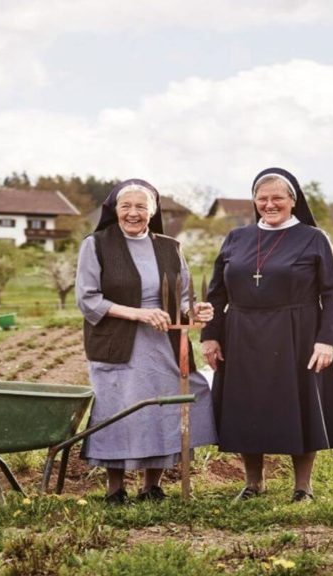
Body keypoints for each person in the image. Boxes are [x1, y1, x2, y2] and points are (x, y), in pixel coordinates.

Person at [200, 167, 333, 503]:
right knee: (245, 407)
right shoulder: (236, 238)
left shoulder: (314, 238)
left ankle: (302, 487)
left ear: (292, 201)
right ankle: (253, 483)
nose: (269, 204)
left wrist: (327, 340)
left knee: (301, 405)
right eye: (262, 198)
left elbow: (331, 293)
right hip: (241, 333)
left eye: (277, 198)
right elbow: (217, 293)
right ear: (254, 201)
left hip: (297, 334)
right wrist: (211, 335)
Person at [76, 179, 217, 504]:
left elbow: (181, 297)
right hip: (117, 344)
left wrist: (195, 310)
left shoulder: (170, 247)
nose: (133, 213)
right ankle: (115, 489)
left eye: (141, 207)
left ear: (153, 212)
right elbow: (88, 300)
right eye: (126, 206)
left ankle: (151, 485)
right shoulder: (96, 244)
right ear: (115, 210)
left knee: (163, 408)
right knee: (118, 409)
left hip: (163, 344)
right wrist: (139, 313)